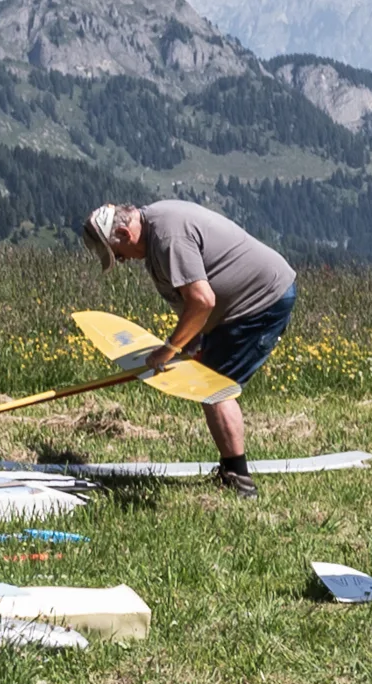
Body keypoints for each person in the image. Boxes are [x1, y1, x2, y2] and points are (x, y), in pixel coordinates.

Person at [82, 199, 295, 490]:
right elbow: (190, 303)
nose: (121, 261)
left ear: (124, 233)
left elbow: (203, 300)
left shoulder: (168, 238)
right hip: (235, 307)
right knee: (208, 376)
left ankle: (238, 480)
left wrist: (169, 349)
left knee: (214, 387)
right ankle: (232, 471)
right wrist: (191, 343)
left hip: (260, 301)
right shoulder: (154, 232)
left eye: (118, 253)